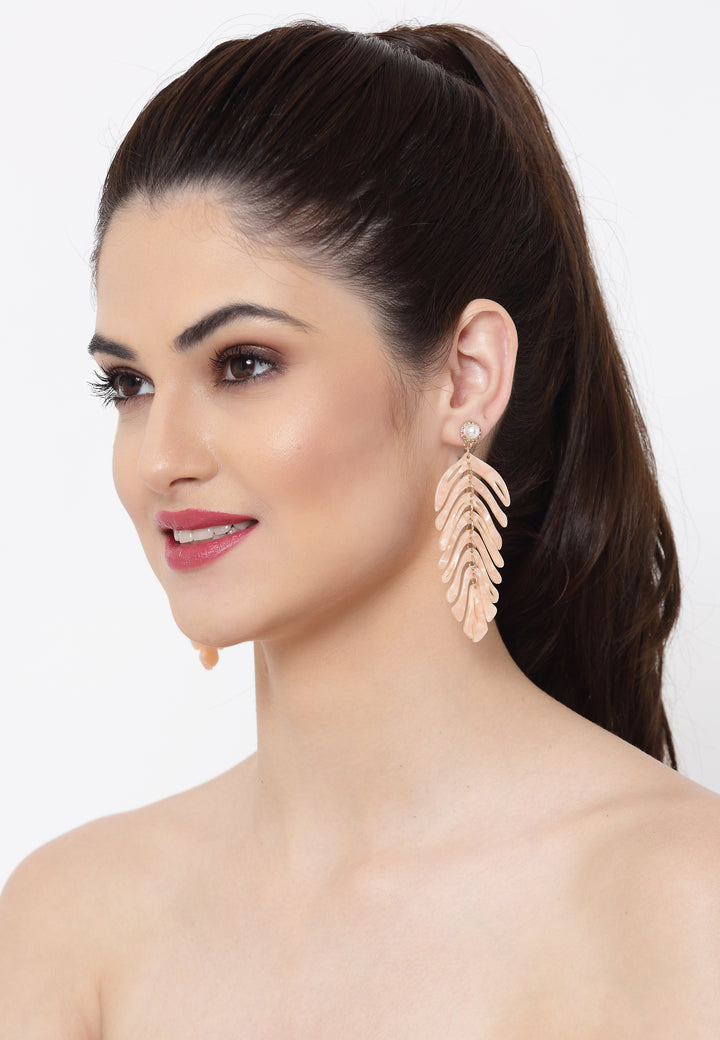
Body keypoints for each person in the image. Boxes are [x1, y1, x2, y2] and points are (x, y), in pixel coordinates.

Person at [1, 20, 718, 1037]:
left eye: (243, 363)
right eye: (129, 383)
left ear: (466, 376)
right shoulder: (70, 925)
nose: (159, 458)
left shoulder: (680, 907)